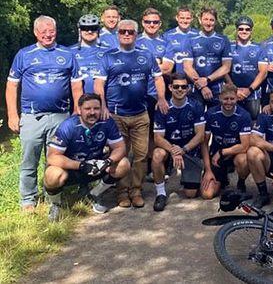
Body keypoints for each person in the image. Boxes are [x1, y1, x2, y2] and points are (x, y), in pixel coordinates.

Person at [6, 15, 83, 211]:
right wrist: (13, 115)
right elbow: (12, 87)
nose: (48, 35)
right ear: (35, 33)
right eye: (43, 32)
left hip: (60, 116)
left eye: (51, 31)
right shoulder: (24, 54)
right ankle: (28, 200)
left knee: (55, 159)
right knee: (29, 160)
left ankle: (53, 198)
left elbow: (76, 87)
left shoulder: (67, 54)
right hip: (32, 116)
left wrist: (77, 111)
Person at [94, 19, 169, 208]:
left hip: (140, 114)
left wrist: (161, 98)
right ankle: (122, 193)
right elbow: (98, 84)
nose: (126, 34)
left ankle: (136, 190)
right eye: (123, 32)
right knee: (121, 155)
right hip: (117, 115)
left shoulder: (146, 55)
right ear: (117, 34)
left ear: (136, 34)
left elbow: (158, 78)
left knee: (141, 156)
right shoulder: (108, 56)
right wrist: (102, 105)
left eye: (130, 32)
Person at [44, 93, 131, 221]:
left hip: (96, 166)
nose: (92, 112)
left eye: (96, 108)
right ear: (79, 110)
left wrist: (108, 161)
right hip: (73, 168)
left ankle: (94, 194)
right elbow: (52, 157)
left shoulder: (106, 121)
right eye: (87, 109)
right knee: (52, 173)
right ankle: (56, 204)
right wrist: (81, 165)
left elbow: (120, 147)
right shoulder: (68, 126)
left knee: (124, 164)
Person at [151, 73, 206, 211]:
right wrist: (174, 151)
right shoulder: (162, 107)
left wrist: (184, 149)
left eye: (183, 87)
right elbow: (158, 138)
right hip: (169, 148)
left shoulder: (196, 105)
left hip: (189, 149)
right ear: (170, 87)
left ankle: (188, 177)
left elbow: (200, 135)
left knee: (191, 194)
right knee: (157, 154)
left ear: (188, 89)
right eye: (176, 86)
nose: (180, 89)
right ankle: (161, 193)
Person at [201, 84, 252, 199]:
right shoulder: (210, 114)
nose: (229, 102)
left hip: (235, 153)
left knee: (243, 160)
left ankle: (241, 182)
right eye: (225, 99)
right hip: (215, 156)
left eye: (232, 99)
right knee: (207, 195)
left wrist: (222, 152)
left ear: (237, 98)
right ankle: (222, 180)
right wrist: (208, 170)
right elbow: (204, 143)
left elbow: (244, 146)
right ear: (220, 98)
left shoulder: (244, 115)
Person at [183, 7, 232, 108]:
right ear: (200, 20)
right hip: (197, 88)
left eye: (211, 20)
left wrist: (207, 80)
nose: (208, 23)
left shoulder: (223, 39)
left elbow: (226, 67)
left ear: (215, 22)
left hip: (217, 89)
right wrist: (202, 86)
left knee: (216, 121)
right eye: (205, 19)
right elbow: (187, 67)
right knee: (196, 122)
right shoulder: (190, 39)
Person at [227, 15, 268, 120]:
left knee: (252, 123)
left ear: (251, 31)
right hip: (233, 93)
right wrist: (235, 89)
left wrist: (249, 90)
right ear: (236, 30)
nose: (244, 31)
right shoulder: (229, 47)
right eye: (241, 29)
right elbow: (224, 70)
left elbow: (263, 72)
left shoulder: (259, 48)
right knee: (232, 122)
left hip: (252, 94)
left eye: (247, 29)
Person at [70, 14, 107, 94]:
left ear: (98, 30)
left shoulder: (108, 52)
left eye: (93, 28)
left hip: (102, 101)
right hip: (79, 101)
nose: (89, 31)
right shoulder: (69, 52)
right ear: (80, 30)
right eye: (85, 28)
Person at [161, 6, 199, 74]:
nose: (184, 21)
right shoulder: (167, 36)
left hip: (194, 78)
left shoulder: (198, 35)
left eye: (188, 18)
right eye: (182, 18)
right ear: (177, 18)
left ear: (192, 19)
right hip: (174, 80)